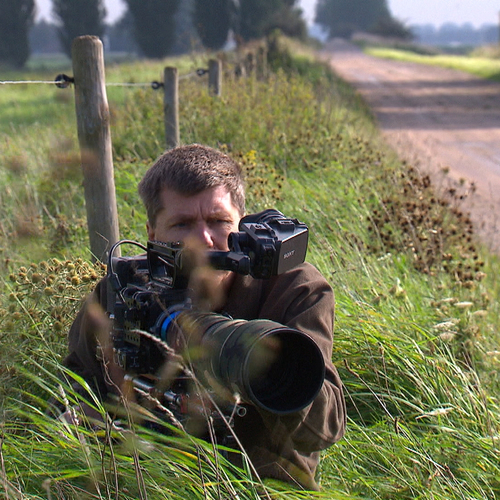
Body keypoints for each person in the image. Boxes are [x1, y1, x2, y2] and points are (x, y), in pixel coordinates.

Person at [62, 144, 346, 490]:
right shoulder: (121, 290)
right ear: (153, 235)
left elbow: (324, 429)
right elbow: (68, 394)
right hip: (145, 482)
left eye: (219, 222)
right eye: (182, 225)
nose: (204, 240)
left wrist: (261, 362)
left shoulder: (294, 289)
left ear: (242, 226)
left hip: (259, 487)